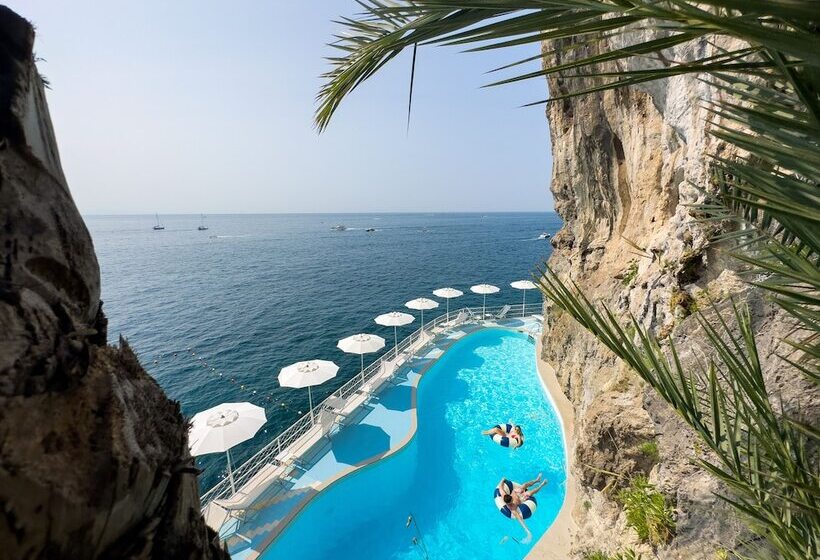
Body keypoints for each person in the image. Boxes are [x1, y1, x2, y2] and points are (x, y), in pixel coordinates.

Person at [497, 474, 548, 543]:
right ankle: (542, 485)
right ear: (508, 503)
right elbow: (520, 520)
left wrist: (503, 480)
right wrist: (527, 531)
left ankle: (537, 480)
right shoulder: (512, 508)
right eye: (511, 501)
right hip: (522, 499)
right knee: (529, 493)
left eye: (511, 499)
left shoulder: (504, 494)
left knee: (524, 485)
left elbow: (500, 487)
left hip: (517, 492)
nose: (512, 501)